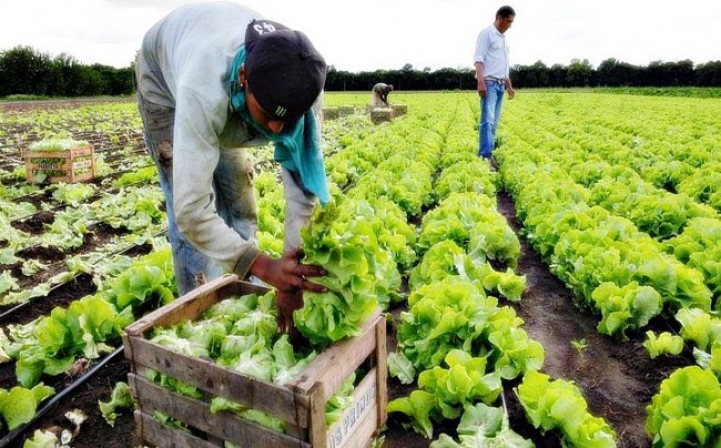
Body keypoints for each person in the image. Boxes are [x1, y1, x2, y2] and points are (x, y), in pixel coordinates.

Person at [135, 1, 330, 335]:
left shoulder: (302, 86)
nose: (276, 129)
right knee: (192, 224)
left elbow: (302, 189)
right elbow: (191, 210)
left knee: (240, 200)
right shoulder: (202, 87)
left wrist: (288, 281)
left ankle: (243, 290)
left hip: (228, 83)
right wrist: (265, 264)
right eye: (268, 114)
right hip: (163, 87)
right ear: (243, 78)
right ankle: (199, 319)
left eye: (287, 121)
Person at [474, 5, 516, 166]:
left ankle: (488, 153)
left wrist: (509, 86)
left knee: (494, 122)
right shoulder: (487, 34)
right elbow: (479, 59)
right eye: (508, 21)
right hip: (489, 83)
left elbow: (503, 66)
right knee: (487, 121)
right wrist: (481, 82)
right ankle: (484, 156)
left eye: (511, 22)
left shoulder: (503, 39)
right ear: (499, 18)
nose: (510, 25)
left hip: (500, 85)